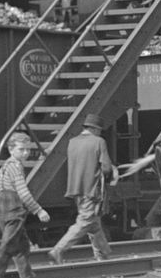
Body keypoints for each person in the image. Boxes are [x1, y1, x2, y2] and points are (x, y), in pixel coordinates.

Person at [0, 132, 51, 278]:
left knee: (22, 247)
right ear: (11, 150)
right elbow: (23, 192)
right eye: (21, 149)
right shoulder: (16, 167)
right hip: (13, 211)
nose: (25, 153)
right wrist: (38, 210)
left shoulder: (5, 167)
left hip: (3, 212)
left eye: (27, 150)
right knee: (8, 245)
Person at [48, 113, 119, 264]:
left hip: (75, 189)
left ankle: (104, 255)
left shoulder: (72, 142)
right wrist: (113, 172)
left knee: (94, 223)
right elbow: (106, 168)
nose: (100, 133)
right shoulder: (99, 142)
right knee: (84, 222)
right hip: (91, 190)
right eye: (99, 130)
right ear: (94, 129)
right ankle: (58, 250)